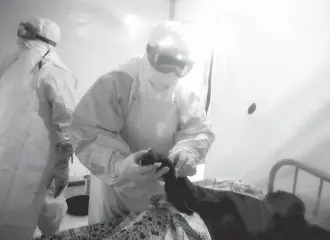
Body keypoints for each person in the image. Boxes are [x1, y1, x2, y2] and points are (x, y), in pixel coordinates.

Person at [70, 20, 215, 224]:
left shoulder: (186, 91)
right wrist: (120, 166)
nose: (171, 73)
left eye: (180, 66)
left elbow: (198, 130)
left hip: (160, 186)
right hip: (115, 185)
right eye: (165, 61)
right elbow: (87, 130)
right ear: (149, 51)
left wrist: (188, 151)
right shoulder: (119, 81)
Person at [0, 17, 77, 240]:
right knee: (47, 203)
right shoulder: (56, 71)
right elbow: (69, 121)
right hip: (40, 160)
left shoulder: (7, 64)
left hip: (8, 155)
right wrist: (62, 164)